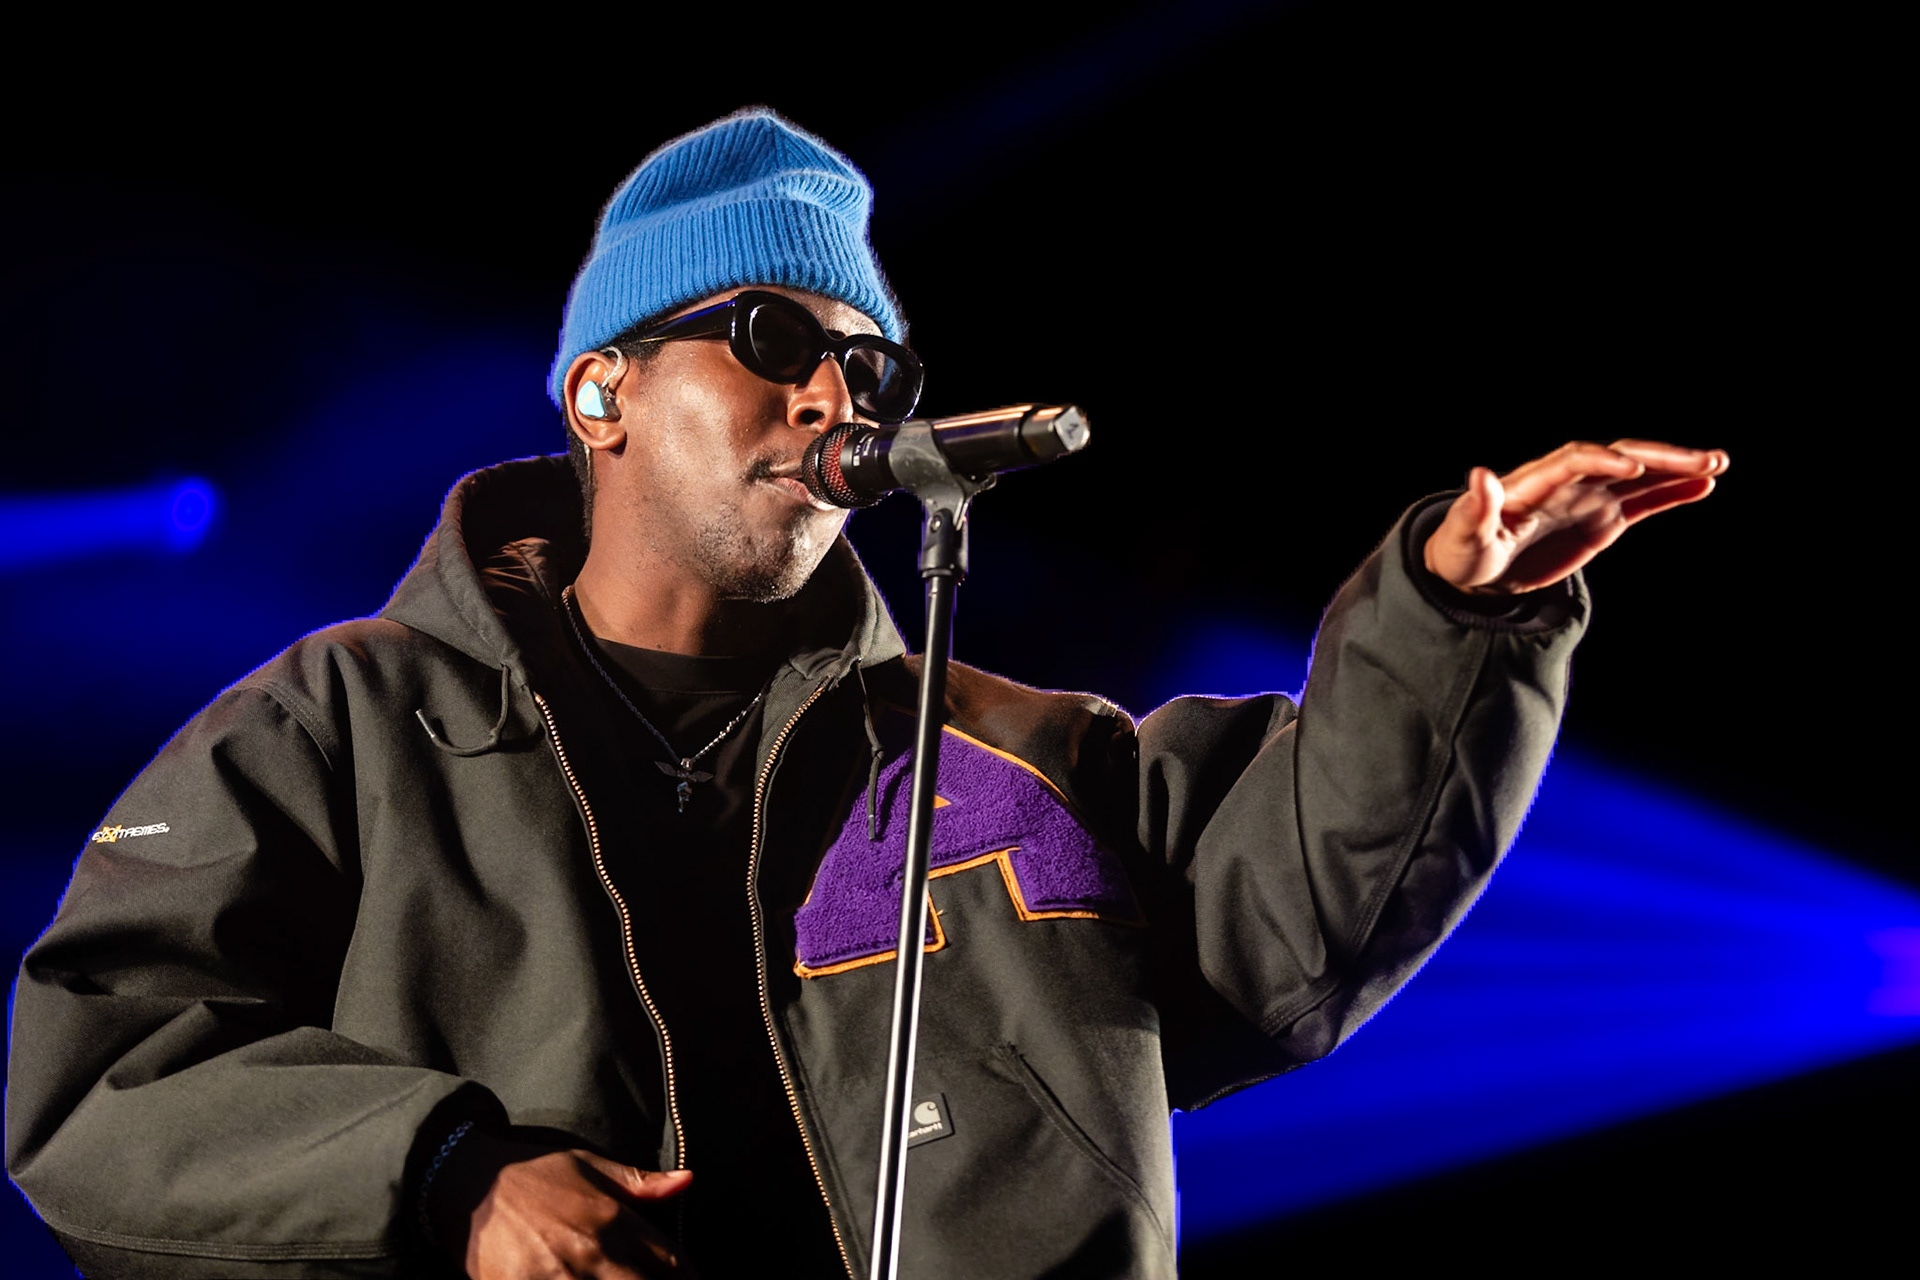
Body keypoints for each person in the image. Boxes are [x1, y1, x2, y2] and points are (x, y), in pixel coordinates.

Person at [5, 109, 1726, 1280]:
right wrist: (446, 1177)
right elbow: (104, 1070)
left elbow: (1293, 914)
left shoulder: (1020, 758)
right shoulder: (345, 726)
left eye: (873, 360)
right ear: (605, 391)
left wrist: (1451, 609)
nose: (838, 388)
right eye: (771, 332)